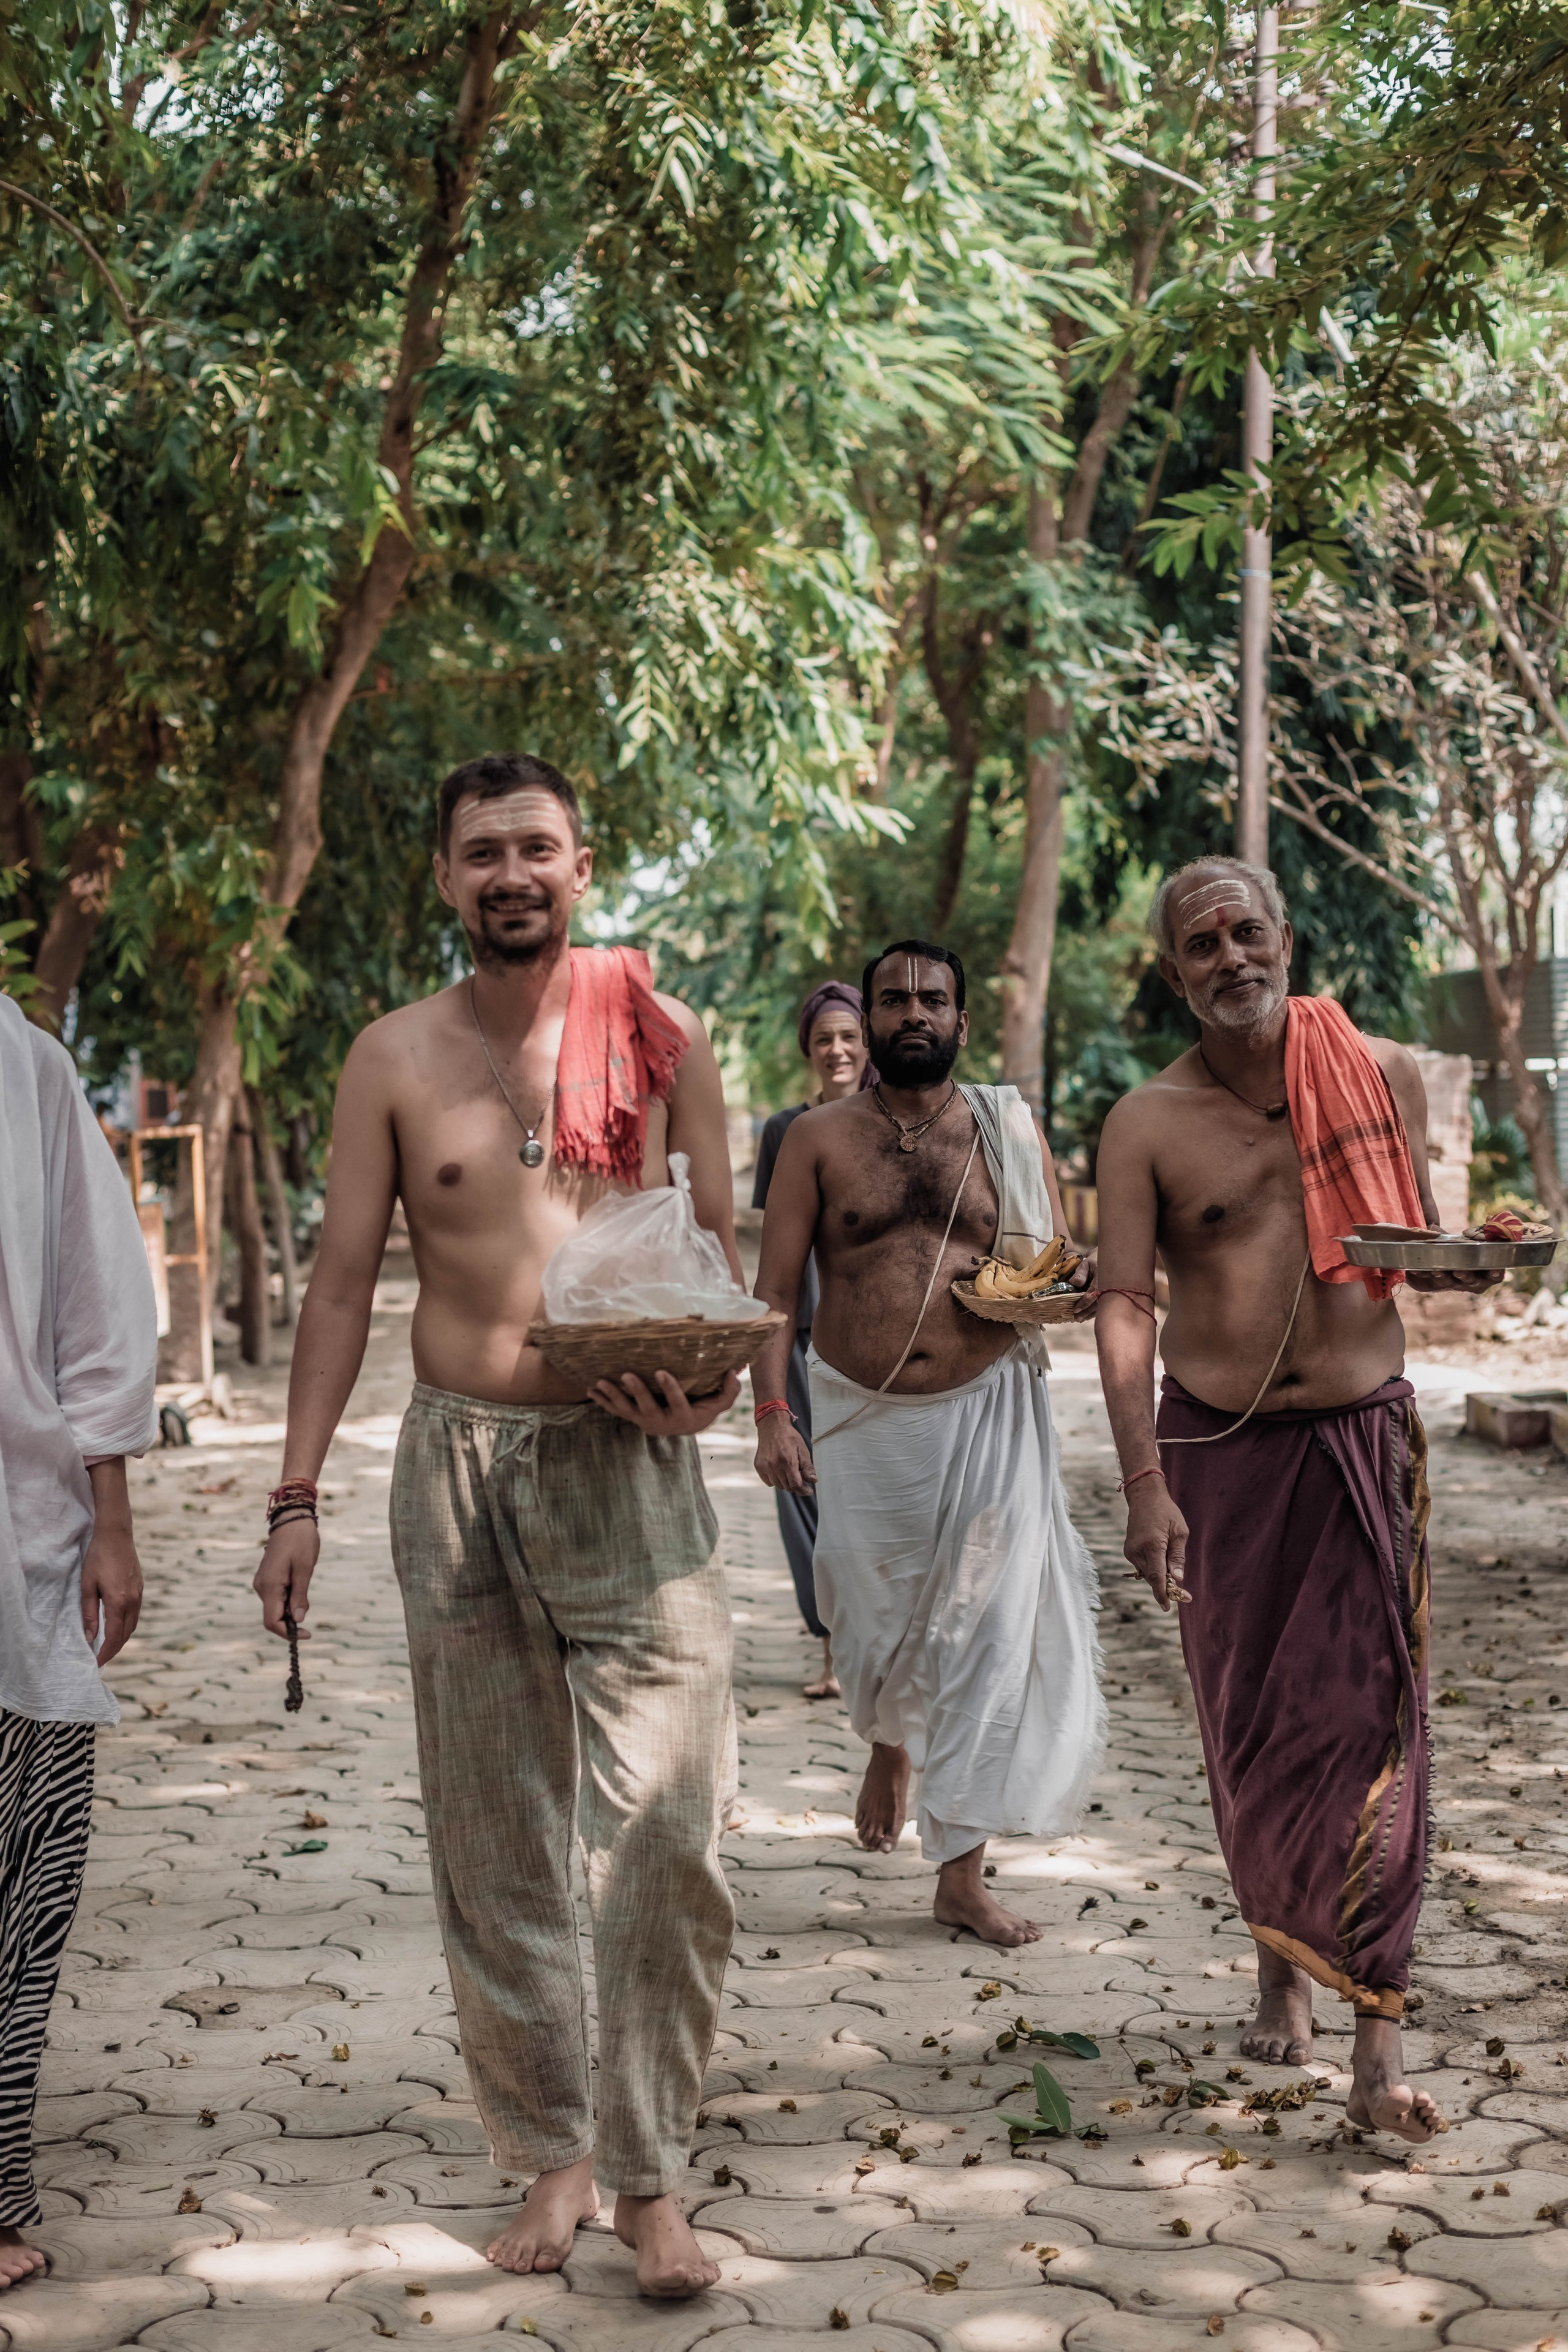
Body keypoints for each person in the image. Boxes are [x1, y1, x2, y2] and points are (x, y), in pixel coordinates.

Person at [254, 753, 744, 2300]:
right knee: (493, 1834)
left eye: (536, 845)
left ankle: (657, 2176)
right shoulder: (392, 1056)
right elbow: (341, 1281)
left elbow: (718, 1255)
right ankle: (554, 2153)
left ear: (581, 866)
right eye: (482, 852)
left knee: (668, 1825)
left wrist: (707, 1396)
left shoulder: (666, 1045)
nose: (510, 871)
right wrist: (292, 1493)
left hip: (626, 1460)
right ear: (448, 879)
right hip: (454, 1468)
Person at [1093, 856, 1498, 2146]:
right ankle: (1279, 1956)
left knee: (1375, 1725)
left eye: (1245, 931)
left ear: (1286, 938)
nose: (1227, 958)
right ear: (1173, 973)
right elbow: (1118, 1305)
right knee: (1251, 1730)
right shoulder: (1145, 1122)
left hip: (1360, 1440)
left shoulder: (1370, 1072)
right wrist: (1142, 1484)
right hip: (1215, 1455)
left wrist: (1472, 1266)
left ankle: (1375, 2041)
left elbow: (1413, 1246)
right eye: (1199, 944)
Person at [751, 941, 1104, 1948]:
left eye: (933, 999)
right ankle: (889, 1740)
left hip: (990, 1406)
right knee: (866, 1624)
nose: (915, 1012)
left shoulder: (1003, 1125)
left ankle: (960, 1870)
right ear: (871, 1016)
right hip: (860, 1415)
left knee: (985, 1634)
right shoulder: (817, 1139)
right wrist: (772, 1415)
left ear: (960, 1018)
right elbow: (774, 1294)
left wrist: (1068, 1290)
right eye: (895, 998)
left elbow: (1051, 1259)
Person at [0, 993, 156, 2283]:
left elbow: (99, 1309)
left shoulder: (27, 1065)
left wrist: (112, 1520)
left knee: (24, 1872)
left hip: (23, 1531)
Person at [751, 982, 870, 1698]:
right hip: (799, 1343)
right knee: (802, 1492)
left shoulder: (892, 1126)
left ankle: (875, 1646)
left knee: (865, 1490)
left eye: (850, 1036)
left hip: (870, 1347)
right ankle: (831, 1650)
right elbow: (777, 1258)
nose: (838, 1050)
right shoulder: (784, 1132)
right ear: (809, 1049)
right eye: (824, 1038)